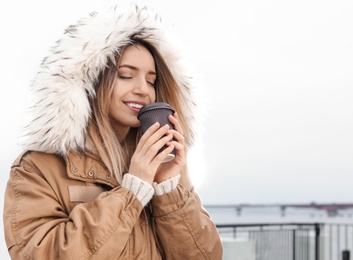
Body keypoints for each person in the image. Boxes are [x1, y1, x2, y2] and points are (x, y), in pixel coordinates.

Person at [3, 4, 223, 260]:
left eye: (151, 81)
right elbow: (43, 254)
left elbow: (206, 256)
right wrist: (133, 190)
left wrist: (168, 191)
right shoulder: (38, 167)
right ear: (90, 80)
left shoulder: (165, 166)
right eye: (126, 75)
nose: (143, 89)